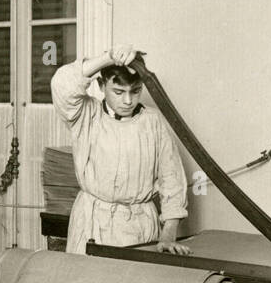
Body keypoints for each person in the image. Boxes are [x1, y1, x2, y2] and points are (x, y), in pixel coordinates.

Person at [51, 45, 190, 256]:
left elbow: (172, 181)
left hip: (140, 227)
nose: (128, 101)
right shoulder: (86, 115)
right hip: (92, 223)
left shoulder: (153, 122)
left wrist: (168, 234)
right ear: (101, 85)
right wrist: (108, 58)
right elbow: (62, 83)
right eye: (118, 91)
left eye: (135, 91)